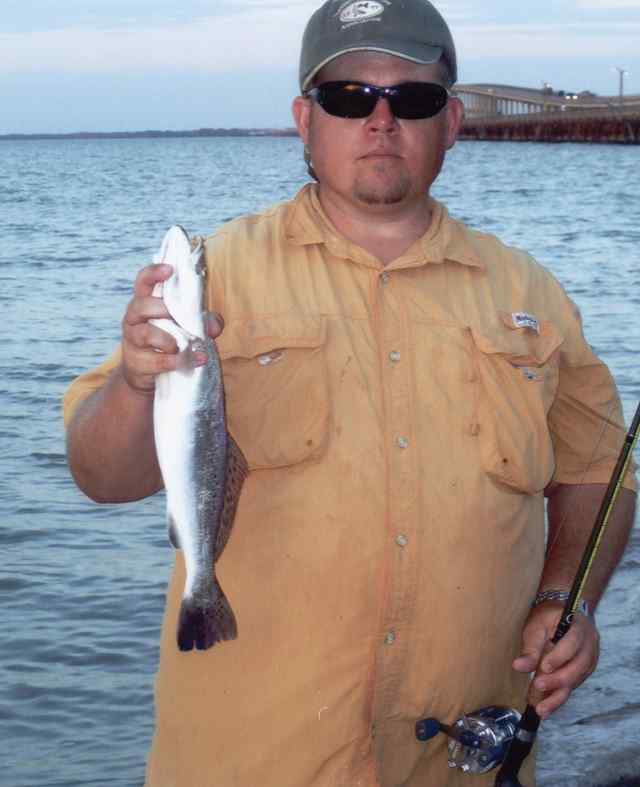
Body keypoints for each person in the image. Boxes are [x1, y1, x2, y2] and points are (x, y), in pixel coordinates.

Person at [64, 1, 637, 785]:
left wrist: (567, 597)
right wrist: (135, 382)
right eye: (348, 97)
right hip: (251, 761)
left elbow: (599, 469)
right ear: (305, 119)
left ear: (454, 122)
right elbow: (102, 475)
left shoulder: (532, 292)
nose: (380, 119)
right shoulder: (211, 274)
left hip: (463, 764)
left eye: (414, 99)